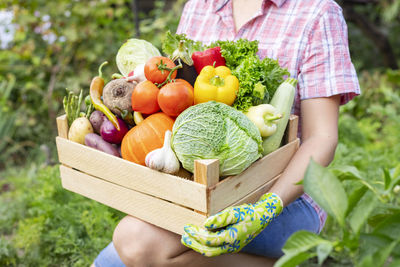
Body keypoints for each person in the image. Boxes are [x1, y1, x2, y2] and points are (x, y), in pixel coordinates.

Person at [93, 0, 360, 266]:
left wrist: (265, 208)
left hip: (285, 197)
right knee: (109, 261)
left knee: (136, 242)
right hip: (203, 196)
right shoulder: (199, 6)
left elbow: (322, 138)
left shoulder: (318, 12)